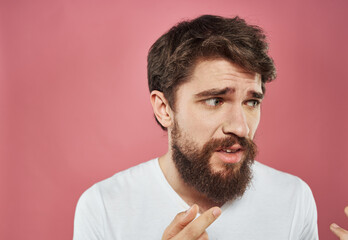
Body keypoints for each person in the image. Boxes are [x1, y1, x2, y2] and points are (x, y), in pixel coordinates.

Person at [73, 15, 320, 239]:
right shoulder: (103, 207)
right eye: (215, 100)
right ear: (164, 109)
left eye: (251, 102)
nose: (241, 128)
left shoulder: (293, 198)